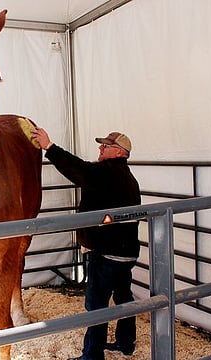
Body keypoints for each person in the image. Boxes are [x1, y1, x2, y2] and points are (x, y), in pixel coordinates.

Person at [31, 128, 141, 360]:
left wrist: (49, 148)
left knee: (96, 304)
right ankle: (125, 342)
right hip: (126, 252)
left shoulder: (109, 173)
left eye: (106, 146)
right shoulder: (127, 176)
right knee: (123, 297)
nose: (100, 148)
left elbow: (79, 170)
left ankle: (92, 355)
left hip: (107, 253)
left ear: (119, 152)